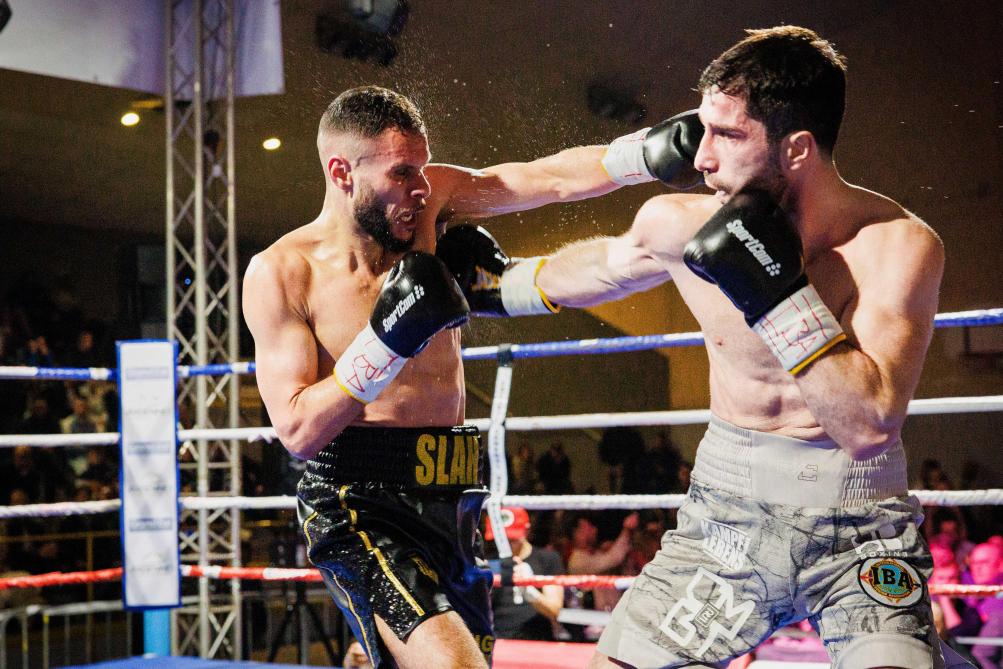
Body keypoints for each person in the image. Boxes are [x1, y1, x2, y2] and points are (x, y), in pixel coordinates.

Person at [525, 26, 962, 669]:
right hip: (726, 520)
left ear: (797, 149)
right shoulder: (682, 223)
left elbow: (868, 425)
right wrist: (486, 284)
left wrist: (776, 293)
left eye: (726, 135)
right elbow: (605, 268)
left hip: (859, 531)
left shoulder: (899, 246)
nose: (700, 158)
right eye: (702, 130)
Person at [242, 86, 700, 668]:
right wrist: (385, 343)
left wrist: (642, 155)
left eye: (423, 168)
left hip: (454, 493)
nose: (422, 188)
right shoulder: (284, 272)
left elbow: (543, 179)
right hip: (360, 501)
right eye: (401, 172)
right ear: (341, 173)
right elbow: (298, 429)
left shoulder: (427, 207)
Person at [486, 506, 565, 641]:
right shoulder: (488, 562)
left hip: (537, 640)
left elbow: (554, 610)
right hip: (498, 640)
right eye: (501, 538)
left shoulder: (547, 559)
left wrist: (529, 591)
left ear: (527, 530)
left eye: (512, 538)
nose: (506, 544)